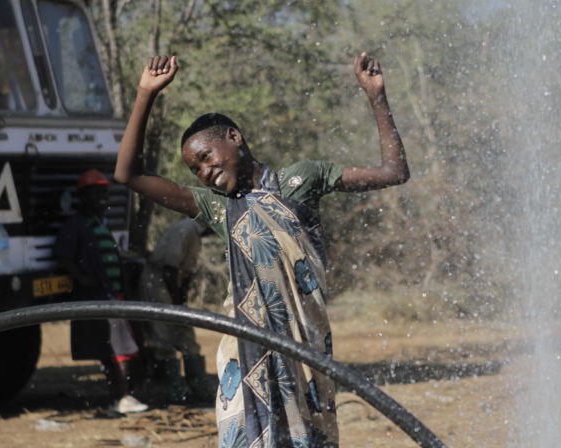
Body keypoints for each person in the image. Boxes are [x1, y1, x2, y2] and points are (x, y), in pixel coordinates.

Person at [115, 52, 407, 447]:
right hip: (245, 352)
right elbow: (128, 174)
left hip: (305, 347)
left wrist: (376, 98)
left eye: (206, 157)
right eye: (195, 171)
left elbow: (394, 172)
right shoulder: (217, 208)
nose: (205, 172)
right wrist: (145, 94)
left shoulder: (303, 179)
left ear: (234, 137)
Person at [54, 168, 149, 414]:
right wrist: (83, 278)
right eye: (94, 194)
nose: (101, 199)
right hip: (99, 296)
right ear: (83, 197)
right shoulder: (77, 224)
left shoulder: (99, 224)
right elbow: (63, 255)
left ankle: (117, 397)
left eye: (103, 194)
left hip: (112, 293)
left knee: (115, 348)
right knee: (120, 348)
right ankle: (123, 397)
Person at [139, 218, 217, 404]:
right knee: (164, 335)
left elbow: (185, 271)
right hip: (158, 284)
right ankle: (172, 391)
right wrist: (176, 302)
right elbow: (169, 268)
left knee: (186, 337)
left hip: (173, 285)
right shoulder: (186, 230)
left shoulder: (195, 235)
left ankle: (197, 386)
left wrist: (181, 300)